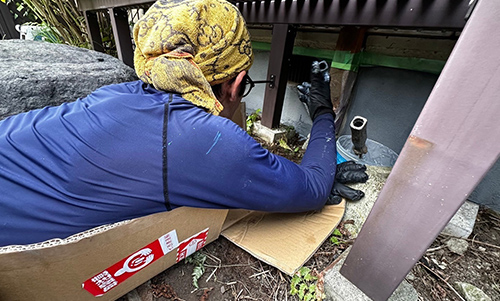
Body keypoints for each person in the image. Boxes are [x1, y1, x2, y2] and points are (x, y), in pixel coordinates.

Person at [0, 0, 338, 247]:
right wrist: (323, 113)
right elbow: (312, 189)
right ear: (236, 84)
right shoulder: (202, 140)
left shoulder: (116, 93)